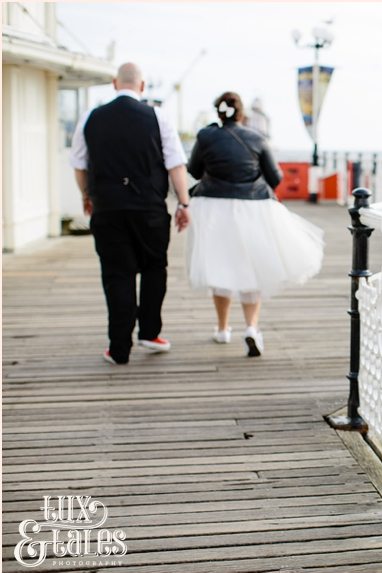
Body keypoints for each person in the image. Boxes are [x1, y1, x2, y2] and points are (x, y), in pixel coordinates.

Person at [185, 91, 324, 357]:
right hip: (253, 208)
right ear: (241, 113)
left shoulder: (205, 137)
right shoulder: (257, 138)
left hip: (213, 208)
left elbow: (193, 170)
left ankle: (223, 329)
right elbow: (274, 176)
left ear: (218, 113)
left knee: (220, 265)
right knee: (250, 267)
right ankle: (251, 328)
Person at [71, 62, 191, 365]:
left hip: (108, 208)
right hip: (149, 208)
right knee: (154, 269)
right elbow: (175, 163)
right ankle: (150, 333)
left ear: (114, 83)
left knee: (117, 275)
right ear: (142, 86)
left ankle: (119, 348)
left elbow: (79, 165)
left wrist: (87, 196)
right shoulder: (157, 116)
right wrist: (184, 203)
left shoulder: (91, 117)